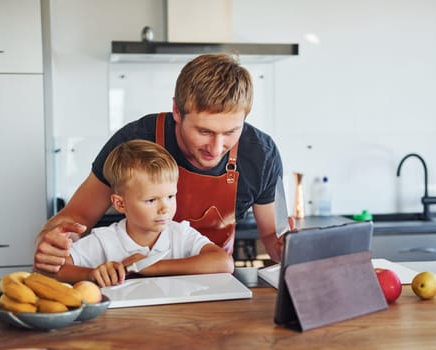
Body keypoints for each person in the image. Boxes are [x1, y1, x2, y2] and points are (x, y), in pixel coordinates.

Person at [35, 53, 286, 274]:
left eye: (231, 132)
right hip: (133, 283)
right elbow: (76, 217)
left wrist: (285, 248)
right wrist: (55, 241)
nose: (217, 148)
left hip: (211, 283)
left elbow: (269, 237)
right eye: (204, 131)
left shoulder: (261, 155)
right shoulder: (135, 141)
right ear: (177, 111)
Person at [55, 140, 234, 287]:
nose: (165, 208)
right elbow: (58, 270)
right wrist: (92, 274)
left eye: (170, 196)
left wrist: (153, 267)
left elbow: (223, 262)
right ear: (120, 203)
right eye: (151, 200)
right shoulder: (104, 240)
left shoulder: (180, 234)